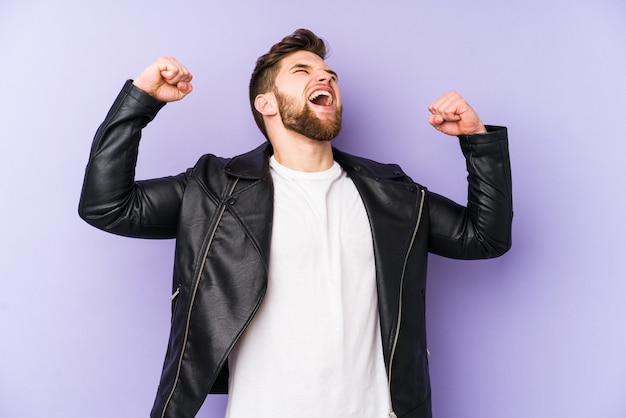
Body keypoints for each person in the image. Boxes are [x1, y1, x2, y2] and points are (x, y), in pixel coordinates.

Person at [79, 28, 512, 418]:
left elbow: (484, 238)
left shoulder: (392, 194)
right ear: (265, 103)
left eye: (330, 75)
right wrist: (141, 100)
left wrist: (477, 141)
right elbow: (107, 205)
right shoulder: (214, 189)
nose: (325, 79)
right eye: (302, 71)